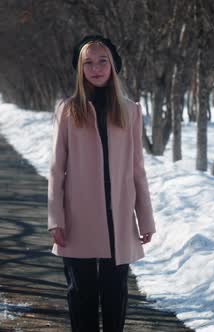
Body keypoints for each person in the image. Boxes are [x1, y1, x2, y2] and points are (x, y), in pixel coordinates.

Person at [47, 35, 156, 331]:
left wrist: (145, 218)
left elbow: (137, 170)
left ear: (113, 65)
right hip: (78, 217)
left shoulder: (130, 110)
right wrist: (55, 218)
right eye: (88, 63)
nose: (96, 68)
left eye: (102, 61)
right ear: (80, 69)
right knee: (81, 294)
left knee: (115, 293)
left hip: (118, 218)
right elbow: (57, 169)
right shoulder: (68, 110)